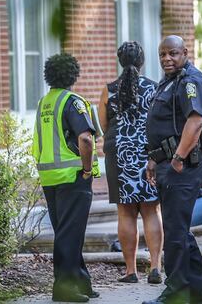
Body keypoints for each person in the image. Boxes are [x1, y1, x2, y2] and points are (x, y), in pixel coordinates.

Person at [143, 36, 202, 304]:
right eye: (162, 54)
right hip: (166, 163)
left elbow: (195, 122)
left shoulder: (191, 81)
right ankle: (201, 294)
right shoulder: (170, 81)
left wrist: (177, 158)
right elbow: (163, 124)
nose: (166, 59)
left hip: (182, 166)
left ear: (185, 52)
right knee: (178, 230)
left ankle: (176, 291)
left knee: (175, 231)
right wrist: (153, 159)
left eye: (173, 53)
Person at [32, 53, 100, 303]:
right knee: (70, 234)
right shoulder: (73, 101)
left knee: (67, 232)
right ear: (73, 75)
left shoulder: (44, 102)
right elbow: (85, 138)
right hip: (73, 177)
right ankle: (64, 287)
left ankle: (81, 282)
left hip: (50, 178)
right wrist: (85, 169)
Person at [99, 41, 164, 284]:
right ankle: (156, 267)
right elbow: (158, 121)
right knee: (151, 209)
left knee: (125, 212)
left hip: (119, 153)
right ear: (142, 61)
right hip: (148, 154)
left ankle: (131, 271)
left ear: (120, 61)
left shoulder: (109, 90)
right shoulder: (153, 88)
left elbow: (104, 125)